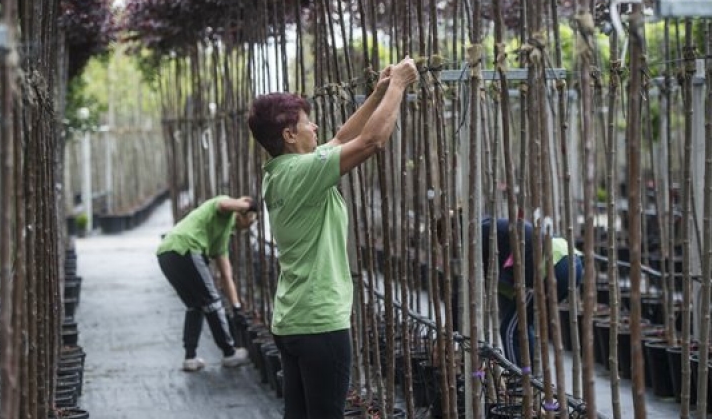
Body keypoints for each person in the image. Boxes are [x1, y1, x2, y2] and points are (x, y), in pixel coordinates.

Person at [248, 57, 418, 419]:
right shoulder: (303, 173)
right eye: (308, 122)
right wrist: (400, 86)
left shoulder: (281, 172)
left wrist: (377, 95)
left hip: (292, 319)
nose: (316, 127)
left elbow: (342, 137)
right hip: (320, 321)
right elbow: (371, 141)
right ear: (289, 135)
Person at [439, 214, 583, 366]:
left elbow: (464, 289)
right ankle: (530, 377)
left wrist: (448, 332)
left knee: (509, 329)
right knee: (522, 325)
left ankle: (518, 381)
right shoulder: (487, 231)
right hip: (567, 259)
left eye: (447, 243)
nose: (450, 250)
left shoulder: (478, 235)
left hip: (553, 264)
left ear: (453, 232)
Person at [157, 195, 257, 371]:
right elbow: (224, 204)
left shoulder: (224, 234)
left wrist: (236, 307)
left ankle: (190, 358)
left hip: (167, 253)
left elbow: (227, 274)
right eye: (251, 217)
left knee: (195, 305)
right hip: (186, 248)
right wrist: (247, 205)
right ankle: (229, 352)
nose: (251, 222)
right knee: (212, 301)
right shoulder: (224, 209)